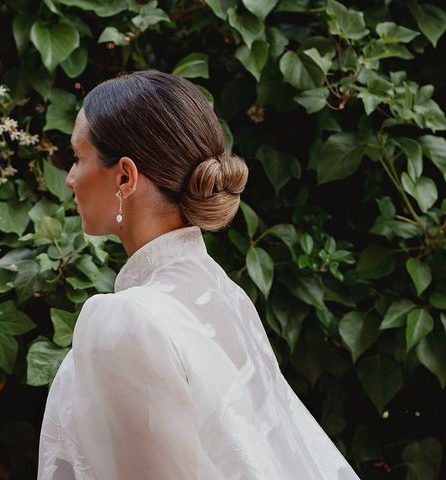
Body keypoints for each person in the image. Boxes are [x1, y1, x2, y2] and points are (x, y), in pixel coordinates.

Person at [37, 70, 360, 480]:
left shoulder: (130, 320)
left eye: (78, 157)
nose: (69, 179)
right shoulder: (223, 294)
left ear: (125, 176)